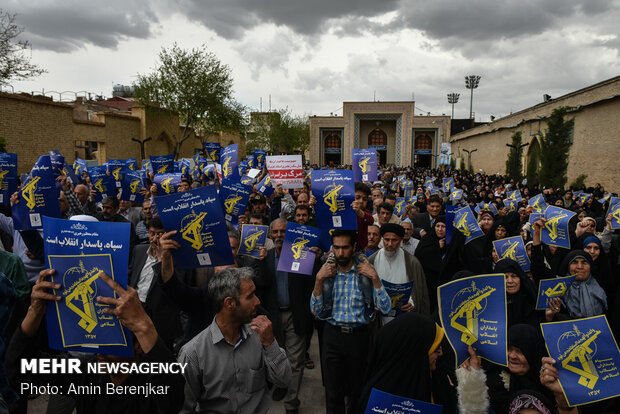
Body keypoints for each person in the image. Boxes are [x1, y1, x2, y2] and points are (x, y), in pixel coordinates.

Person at [6, 269, 185, 414]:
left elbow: (173, 394)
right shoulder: (87, 374)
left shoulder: (152, 384)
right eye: (100, 338)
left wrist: (143, 325)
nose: (101, 349)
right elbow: (20, 368)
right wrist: (34, 311)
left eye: (111, 340)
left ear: (137, 345)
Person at [178, 267, 291, 413]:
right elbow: (183, 408)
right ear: (229, 303)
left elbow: (284, 380)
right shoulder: (193, 354)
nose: (257, 301)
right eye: (250, 296)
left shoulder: (260, 335)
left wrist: (270, 344)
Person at [311, 229, 391, 414]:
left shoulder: (366, 271)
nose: (340, 253)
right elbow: (315, 311)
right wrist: (318, 280)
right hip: (332, 337)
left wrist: (375, 279)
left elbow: (386, 308)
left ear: (354, 247)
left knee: (358, 391)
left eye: (345, 248)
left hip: (359, 338)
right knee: (333, 393)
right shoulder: (326, 272)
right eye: (336, 248)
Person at [259, 218, 318, 413]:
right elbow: (260, 286)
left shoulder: (303, 255)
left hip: (296, 316)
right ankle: (281, 385)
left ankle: (291, 403)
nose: (278, 236)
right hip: (272, 318)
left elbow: (312, 285)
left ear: (290, 233)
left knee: (295, 362)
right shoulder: (264, 257)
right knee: (276, 359)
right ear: (270, 234)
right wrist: (258, 264)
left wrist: (315, 258)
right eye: (275, 232)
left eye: (283, 232)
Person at [358, 313, 446, 412]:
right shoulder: (372, 405)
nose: (441, 353)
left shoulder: (435, 385)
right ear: (414, 354)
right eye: (436, 349)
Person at [369, 223, 430, 321]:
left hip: (404, 317)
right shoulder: (372, 260)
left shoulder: (412, 262)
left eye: (394, 240)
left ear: (401, 240)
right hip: (380, 317)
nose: (390, 244)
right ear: (382, 239)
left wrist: (412, 303)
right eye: (386, 240)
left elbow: (419, 291)